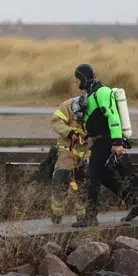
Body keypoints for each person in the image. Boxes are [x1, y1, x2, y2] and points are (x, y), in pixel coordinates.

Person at [73, 64, 138, 227]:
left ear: (83, 78)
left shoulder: (101, 92)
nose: (76, 83)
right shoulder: (91, 93)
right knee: (105, 176)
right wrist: (90, 137)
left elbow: (112, 117)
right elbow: (95, 119)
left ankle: (91, 217)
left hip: (107, 141)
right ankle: (135, 204)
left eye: (77, 80)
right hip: (99, 140)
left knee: (92, 175)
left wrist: (117, 143)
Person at [48, 96, 90, 225]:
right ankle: (56, 214)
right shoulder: (66, 106)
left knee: (82, 184)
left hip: (85, 151)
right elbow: (55, 121)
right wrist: (69, 132)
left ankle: (82, 217)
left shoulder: (93, 110)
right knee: (61, 179)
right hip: (67, 149)